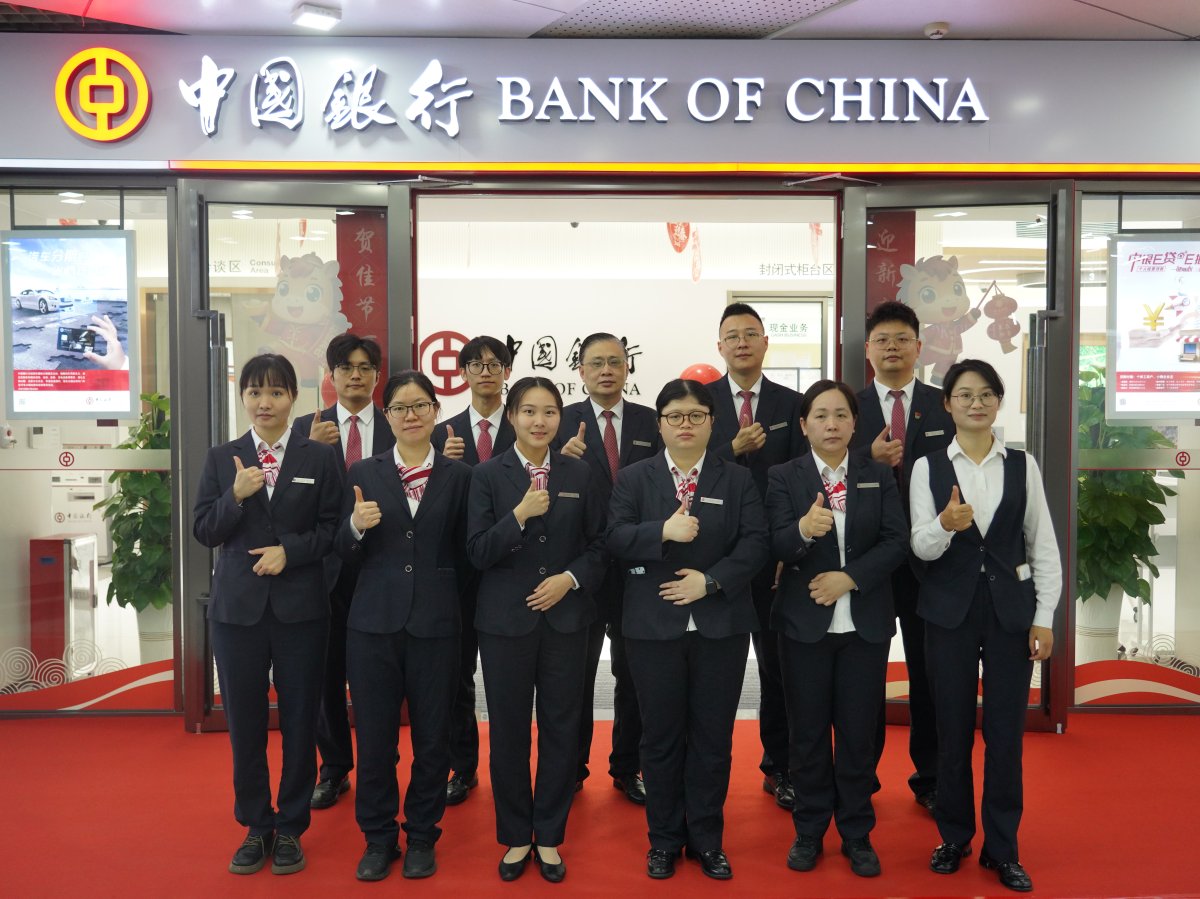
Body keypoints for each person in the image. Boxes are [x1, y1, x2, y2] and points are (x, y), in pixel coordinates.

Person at [607, 378, 769, 881]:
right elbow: (614, 537)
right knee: (660, 737)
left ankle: (706, 839)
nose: (685, 424)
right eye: (674, 416)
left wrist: (711, 581)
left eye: (695, 415)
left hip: (721, 624)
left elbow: (756, 543)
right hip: (652, 626)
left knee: (712, 737)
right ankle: (663, 840)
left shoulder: (736, 479)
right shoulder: (633, 478)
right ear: (659, 424)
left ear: (712, 423)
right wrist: (661, 531)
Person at [909, 359, 1061, 893]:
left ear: (998, 401)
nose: (976, 403)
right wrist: (944, 525)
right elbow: (919, 546)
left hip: (1010, 615)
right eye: (964, 395)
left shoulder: (1023, 464)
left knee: (1004, 735)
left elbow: (1043, 546)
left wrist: (1044, 617)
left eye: (986, 395)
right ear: (947, 404)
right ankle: (954, 837)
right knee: (951, 732)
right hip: (947, 614)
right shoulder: (927, 467)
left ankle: (1003, 848)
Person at [193, 353, 342, 876]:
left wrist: (290, 552)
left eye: (276, 392)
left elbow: (334, 528)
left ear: (293, 398)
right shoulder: (222, 458)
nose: (265, 403)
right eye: (255, 392)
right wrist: (234, 497)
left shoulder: (318, 457)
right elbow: (204, 530)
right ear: (243, 397)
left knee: (301, 720)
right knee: (245, 723)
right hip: (238, 613)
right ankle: (257, 825)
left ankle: (292, 827)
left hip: (302, 610)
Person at [765, 380, 908, 879]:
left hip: (864, 623)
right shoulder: (784, 476)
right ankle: (809, 830)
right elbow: (774, 544)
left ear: (854, 423)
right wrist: (802, 531)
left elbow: (896, 541)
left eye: (841, 415)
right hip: (804, 623)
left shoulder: (877, 474)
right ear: (804, 425)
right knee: (806, 733)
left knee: (857, 734)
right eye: (821, 416)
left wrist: (850, 578)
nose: (832, 424)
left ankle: (856, 832)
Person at [466, 376, 606, 883]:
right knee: (507, 730)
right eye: (528, 411)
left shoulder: (581, 473)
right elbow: (477, 551)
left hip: (566, 619)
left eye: (549, 412)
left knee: (561, 727)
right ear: (511, 417)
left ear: (560, 418)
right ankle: (515, 835)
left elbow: (600, 545)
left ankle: (548, 835)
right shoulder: (486, 475)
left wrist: (569, 580)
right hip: (505, 623)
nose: (539, 421)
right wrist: (519, 515)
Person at [334, 370, 472, 881]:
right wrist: (354, 528)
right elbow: (340, 551)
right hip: (373, 626)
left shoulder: (461, 477)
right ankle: (377, 837)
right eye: (399, 408)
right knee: (375, 741)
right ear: (386, 415)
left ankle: (421, 835)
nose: (410, 415)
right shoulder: (362, 472)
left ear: (436, 410)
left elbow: (469, 555)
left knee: (433, 738)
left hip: (437, 625)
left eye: (420, 405)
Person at [849, 300, 954, 813]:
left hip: (928, 562)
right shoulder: (847, 407)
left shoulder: (943, 405)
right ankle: (859, 779)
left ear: (918, 347)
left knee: (927, 670)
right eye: (882, 340)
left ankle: (930, 776)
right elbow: (822, 467)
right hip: (865, 559)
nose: (892, 348)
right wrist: (866, 460)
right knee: (862, 674)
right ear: (868, 350)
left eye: (902, 339)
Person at [708, 301, 806, 810]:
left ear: (766, 342)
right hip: (712, 559)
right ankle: (700, 772)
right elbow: (683, 466)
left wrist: (790, 544)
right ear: (719, 346)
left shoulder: (793, 404)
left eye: (751, 334)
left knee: (777, 668)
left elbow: (804, 478)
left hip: (774, 558)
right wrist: (730, 446)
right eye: (732, 335)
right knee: (710, 671)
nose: (742, 342)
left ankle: (780, 767)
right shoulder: (697, 403)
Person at [555, 331, 658, 804]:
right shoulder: (560, 422)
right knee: (573, 676)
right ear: (580, 371)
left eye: (615, 362)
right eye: (596, 363)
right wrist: (559, 460)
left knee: (634, 674)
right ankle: (571, 767)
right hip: (582, 565)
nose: (606, 371)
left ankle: (628, 767)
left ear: (627, 367)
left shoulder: (649, 420)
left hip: (638, 566)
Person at [293, 334, 394, 811]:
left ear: (377, 375)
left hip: (383, 567)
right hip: (325, 571)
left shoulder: (400, 423)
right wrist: (308, 451)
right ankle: (334, 768)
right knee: (325, 675)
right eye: (346, 367)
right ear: (330, 375)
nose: (356, 375)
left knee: (382, 678)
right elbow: (288, 500)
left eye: (365, 367)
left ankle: (383, 763)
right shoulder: (305, 429)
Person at [431, 335, 515, 807]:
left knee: (513, 680)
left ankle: (529, 769)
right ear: (462, 373)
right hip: (458, 572)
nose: (486, 372)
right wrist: (444, 468)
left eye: (494, 364)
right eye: (476, 364)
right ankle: (462, 767)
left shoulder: (526, 426)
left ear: (507, 372)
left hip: (512, 568)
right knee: (456, 674)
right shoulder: (441, 433)